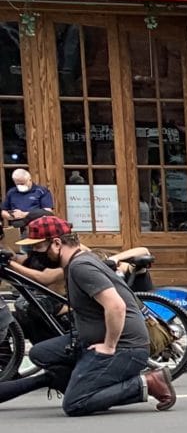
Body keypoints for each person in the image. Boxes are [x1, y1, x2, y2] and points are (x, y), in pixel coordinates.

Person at [0, 216, 175, 414]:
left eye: (38, 247)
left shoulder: (81, 266)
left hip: (125, 348)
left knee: (75, 405)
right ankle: (80, 384)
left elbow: (116, 306)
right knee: (40, 353)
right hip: (89, 340)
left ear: (57, 243)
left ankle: (147, 383)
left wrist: (109, 346)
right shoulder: (77, 261)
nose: (35, 254)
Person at [3, 168, 54, 239]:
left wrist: (24, 214)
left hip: (38, 229)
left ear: (29, 179)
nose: (20, 185)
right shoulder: (11, 192)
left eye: (22, 183)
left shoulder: (41, 191)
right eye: (18, 184)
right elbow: (3, 211)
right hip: (17, 229)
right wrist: (12, 216)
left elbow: (48, 212)